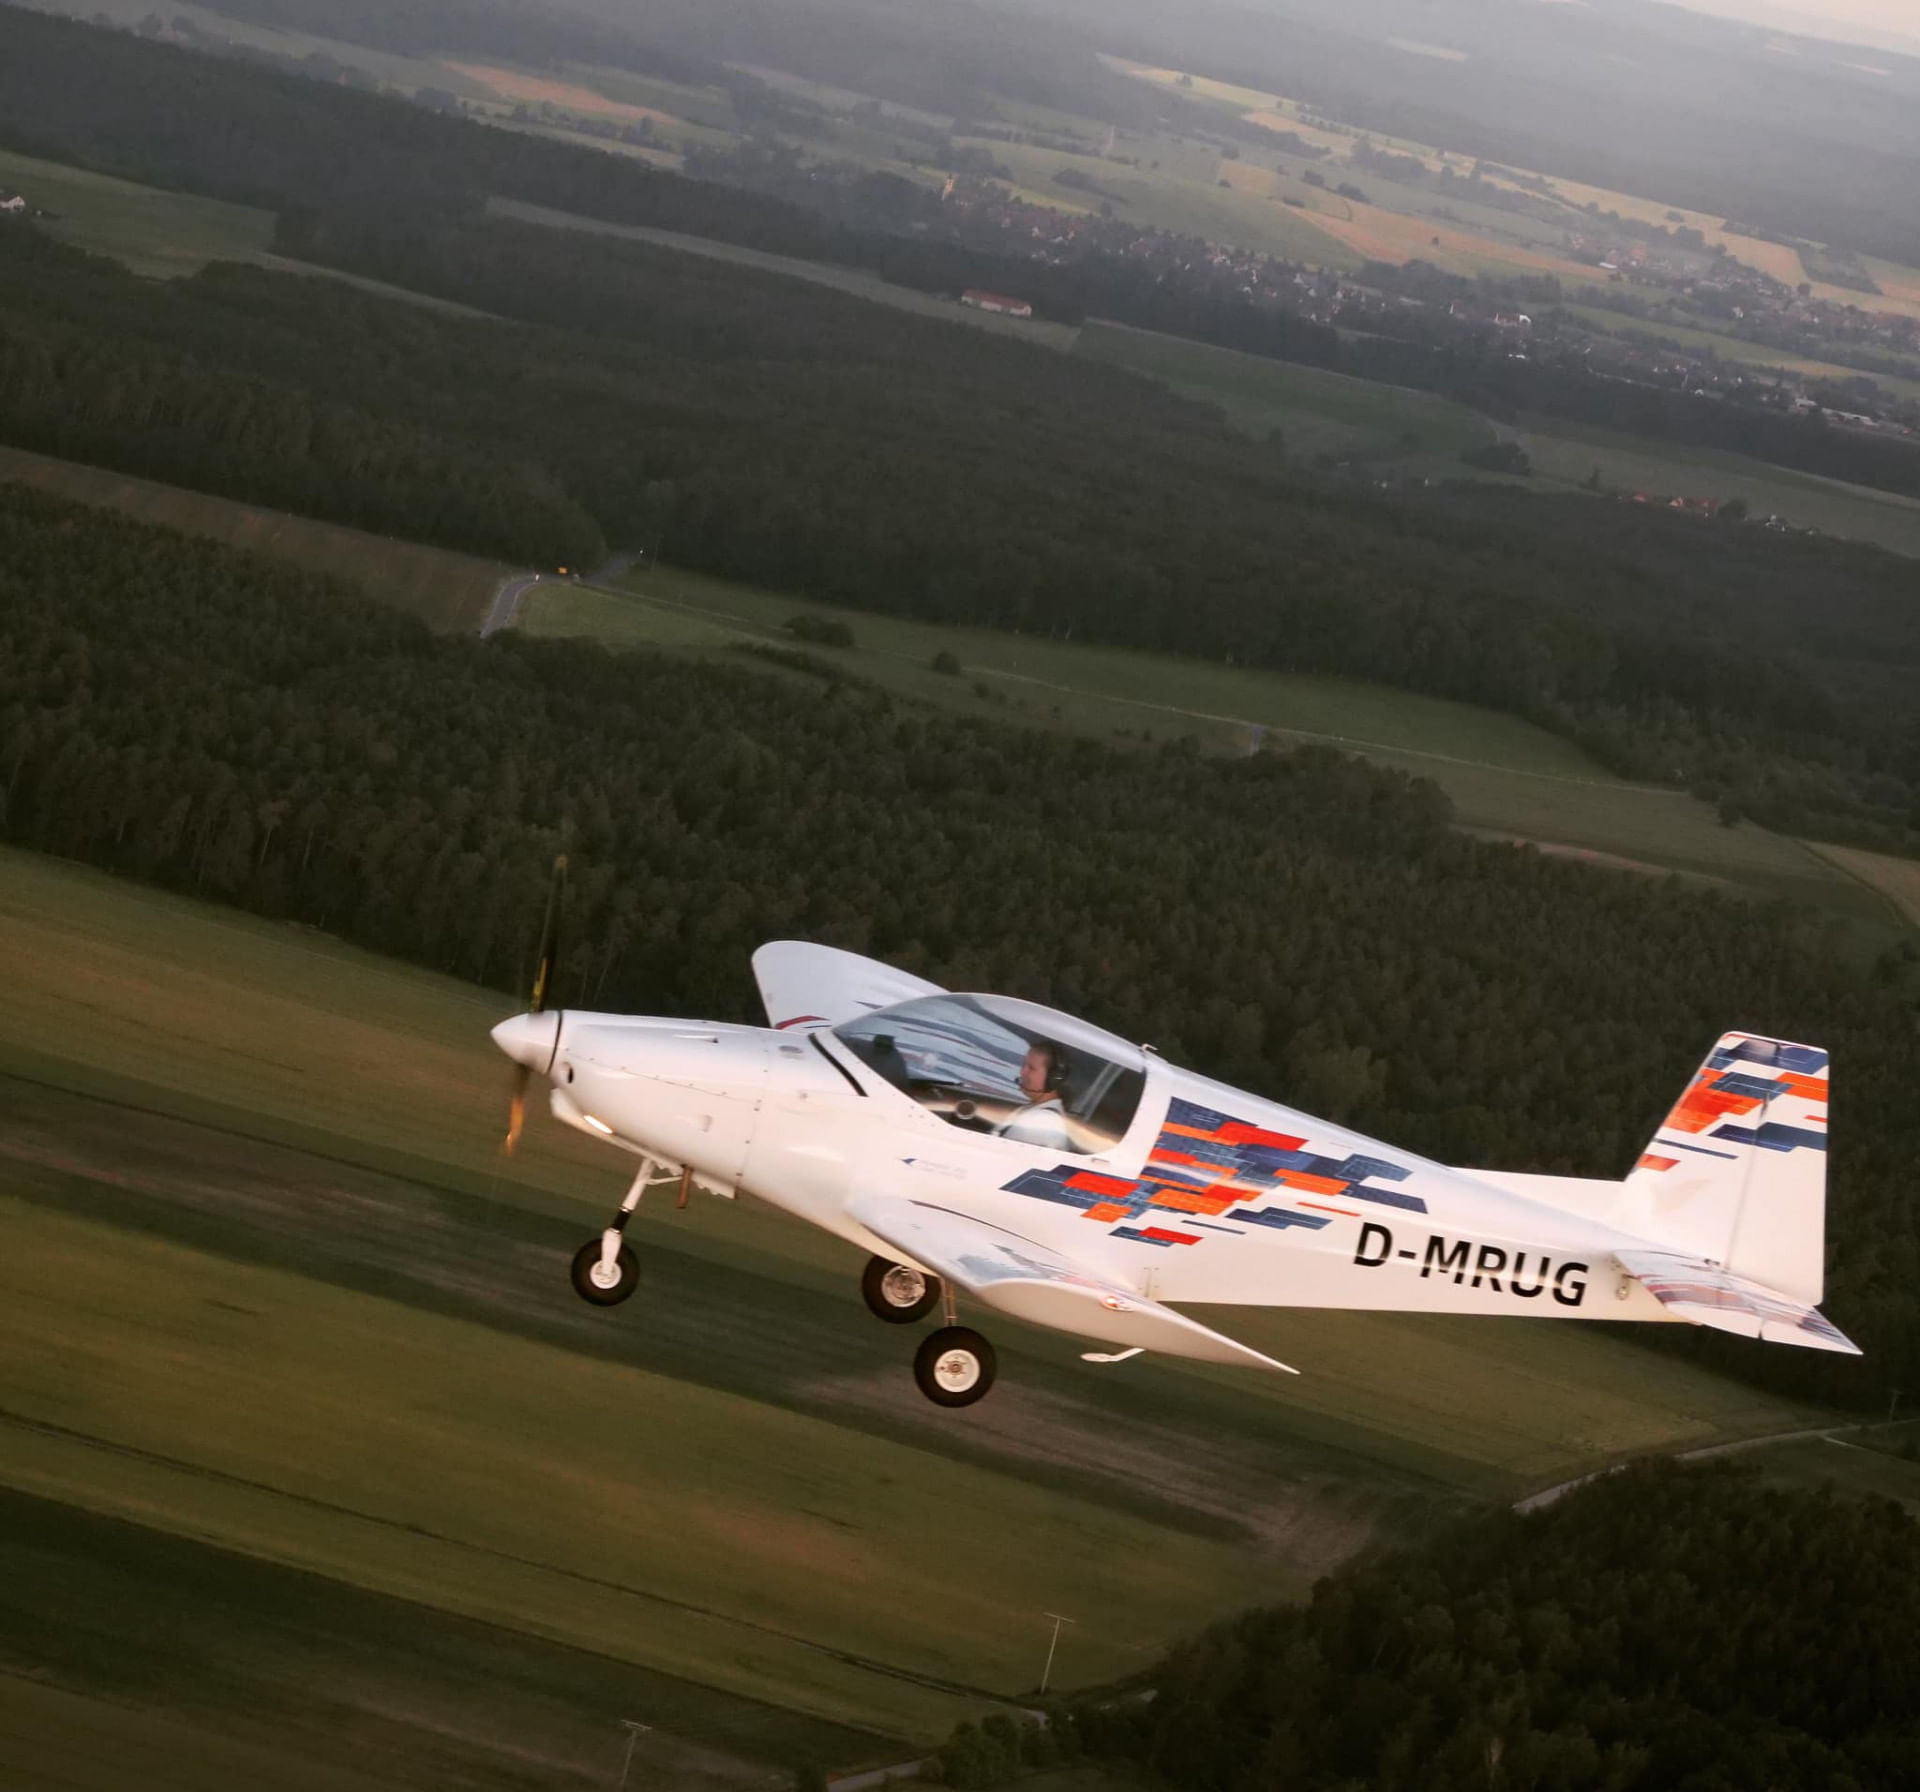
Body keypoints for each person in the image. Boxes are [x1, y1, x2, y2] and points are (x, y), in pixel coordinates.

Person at [995, 1040, 1074, 1148]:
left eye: (1032, 1068)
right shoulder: (1035, 1110)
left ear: (1053, 1078)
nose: (1022, 1072)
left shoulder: (1042, 1120)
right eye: (1024, 1065)